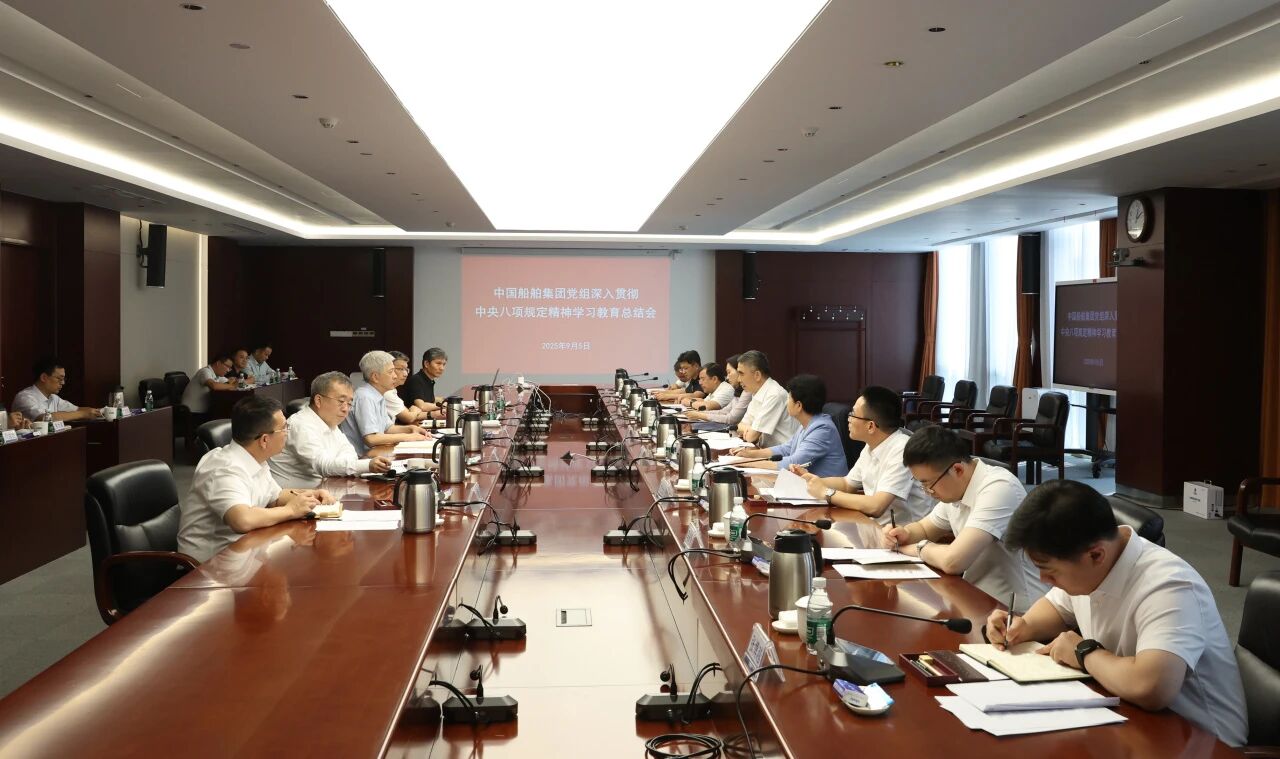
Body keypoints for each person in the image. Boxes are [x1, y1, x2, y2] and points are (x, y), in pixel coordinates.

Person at [985, 480, 1247, 746]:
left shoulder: (1169, 585)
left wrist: (1084, 652)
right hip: (1131, 720)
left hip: (1203, 741)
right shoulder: (1091, 563)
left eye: (1049, 571)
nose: (1043, 579)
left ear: (1096, 555)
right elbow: (1057, 607)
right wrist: (1022, 626)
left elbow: (1152, 687)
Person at [881, 425, 1046, 612]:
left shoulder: (999, 488)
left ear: (957, 469)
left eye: (928, 484)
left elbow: (953, 561)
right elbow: (925, 529)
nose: (927, 492)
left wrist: (918, 548)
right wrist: (903, 534)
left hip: (1017, 611)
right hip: (975, 599)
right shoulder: (956, 487)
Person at [178, 396, 333, 563]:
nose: (287, 433)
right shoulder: (224, 469)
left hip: (244, 553)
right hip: (209, 567)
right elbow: (242, 520)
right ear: (265, 440)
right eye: (284, 428)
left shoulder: (255, 458)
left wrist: (310, 495)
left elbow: (275, 497)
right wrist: (291, 510)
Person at [793, 385, 931, 524]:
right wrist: (812, 481)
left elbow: (876, 506)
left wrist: (826, 493)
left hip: (905, 533)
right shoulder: (872, 444)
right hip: (876, 527)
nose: (849, 419)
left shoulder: (902, 450)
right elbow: (847, 484)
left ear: (870, 426)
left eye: (853, 414)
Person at [270, 371, 392, 488]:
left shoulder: (329, 421)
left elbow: (348, 452)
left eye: (349, 403)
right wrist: (367, 465)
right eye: (341, 401)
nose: (346, 409)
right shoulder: (301, 425)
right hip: (295, 496)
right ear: (318, 400)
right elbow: (323, 465)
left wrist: (345, 464)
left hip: (326, 488)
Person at [729, 374, 846, 477]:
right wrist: (750, 454)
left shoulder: (822, 429)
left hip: (827, 492)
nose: (786, 402)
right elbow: (786, 449)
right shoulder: (808, 423)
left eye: (789, 398)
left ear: (798, 405)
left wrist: (746, 463)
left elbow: (795, 462)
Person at [340, 350, 431, 455]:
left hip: (375, 454)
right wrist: (408, 437)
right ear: (375, 377)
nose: (395, 376)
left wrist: (411, 429)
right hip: (360, 459)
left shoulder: (378, 394)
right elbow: (371, 439)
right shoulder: (364, 397)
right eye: (391, 372)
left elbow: (388, 428)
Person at [734, 350, 798, 448]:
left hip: (783, 453)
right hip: (765, 450)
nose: (738, 379)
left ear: (757, 375)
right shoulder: (757, 392)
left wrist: (749, 431)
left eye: (741, 374)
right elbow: (740, 426)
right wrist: (749, 429)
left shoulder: (774, 394)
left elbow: (751, 437)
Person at [13, 358, 102, 422]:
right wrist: (83, 414)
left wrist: (101, 411)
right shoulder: (25, 397)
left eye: (63, 379)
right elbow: (43, 418)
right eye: (59, 378)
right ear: (44, 377)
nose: (63, 383)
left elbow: (77, 409)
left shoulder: (53, 398)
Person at [687, 354, 752, 431]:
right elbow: (724, 411)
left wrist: (700, 415)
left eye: (729, 372)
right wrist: (699, 414)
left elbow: (731, 419)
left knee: (693, 427)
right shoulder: (738, 390)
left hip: (734, 430)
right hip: (732, 427)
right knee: (692, 426)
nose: (727, 377)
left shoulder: (744, 391)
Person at [400, 347, 447, 413]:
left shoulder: (429, 380)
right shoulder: (416, 380)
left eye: (444, 364)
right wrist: (444, 405)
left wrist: (448, 400)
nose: (442, 368)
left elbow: (429, 399)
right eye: (438, 363)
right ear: (426, 364)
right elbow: (422, 406)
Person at [384, 351, 424, 424]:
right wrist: (415, 410)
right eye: (400, 369)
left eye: (406, 369)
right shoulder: (386, 392)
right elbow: (408, 417)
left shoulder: (392, 390)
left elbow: (409, 414)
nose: (406, 374)